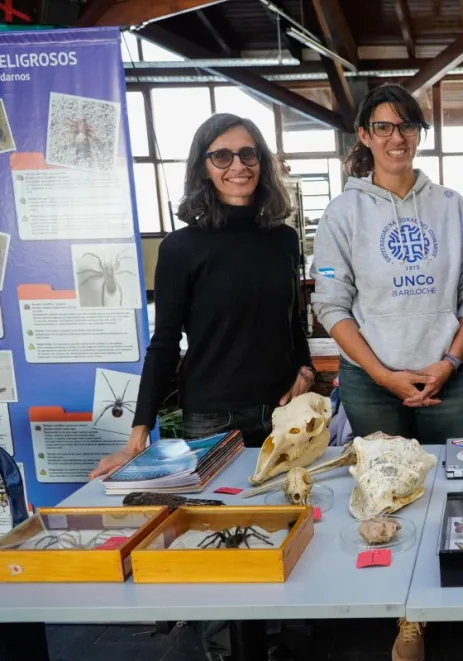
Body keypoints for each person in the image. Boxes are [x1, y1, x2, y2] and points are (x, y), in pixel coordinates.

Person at [88, 113, 315, 661]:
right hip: (213, 419)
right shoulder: (182, 247)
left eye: (248, 154)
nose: (238, 166)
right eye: (222, 156)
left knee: (284, 528)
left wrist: (306, 371)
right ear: (204, 167)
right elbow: (165, 344)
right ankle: (223, 646)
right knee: (219, 542)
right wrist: (138, 433)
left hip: (282, 415)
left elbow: (293, 319)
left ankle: (274, 637)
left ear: (262, 164)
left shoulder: (283, 239)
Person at [308, 83, 463, 661]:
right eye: (383, 127)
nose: (396, 138)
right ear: (364, 135)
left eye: (407, 127)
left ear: (419, 136)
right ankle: (409, 613)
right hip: (371, 381)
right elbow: (331, 303)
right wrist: (384, 375)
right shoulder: (344, 211)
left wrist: (449, 362)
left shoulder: (452, 205)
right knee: (386, 497)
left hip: (447, 377)